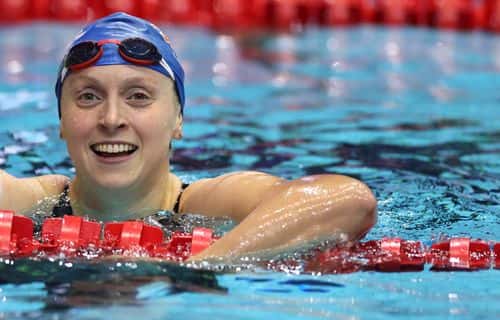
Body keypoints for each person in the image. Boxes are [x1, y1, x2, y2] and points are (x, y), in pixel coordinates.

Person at [0, 12, 376, 262]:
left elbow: (348, 200)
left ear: (178, 119)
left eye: (138, 97)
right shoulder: (33, 202)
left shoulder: (205, 205)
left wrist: (200, 266)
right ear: (62, 119)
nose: (112, 118)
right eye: (88, 96)